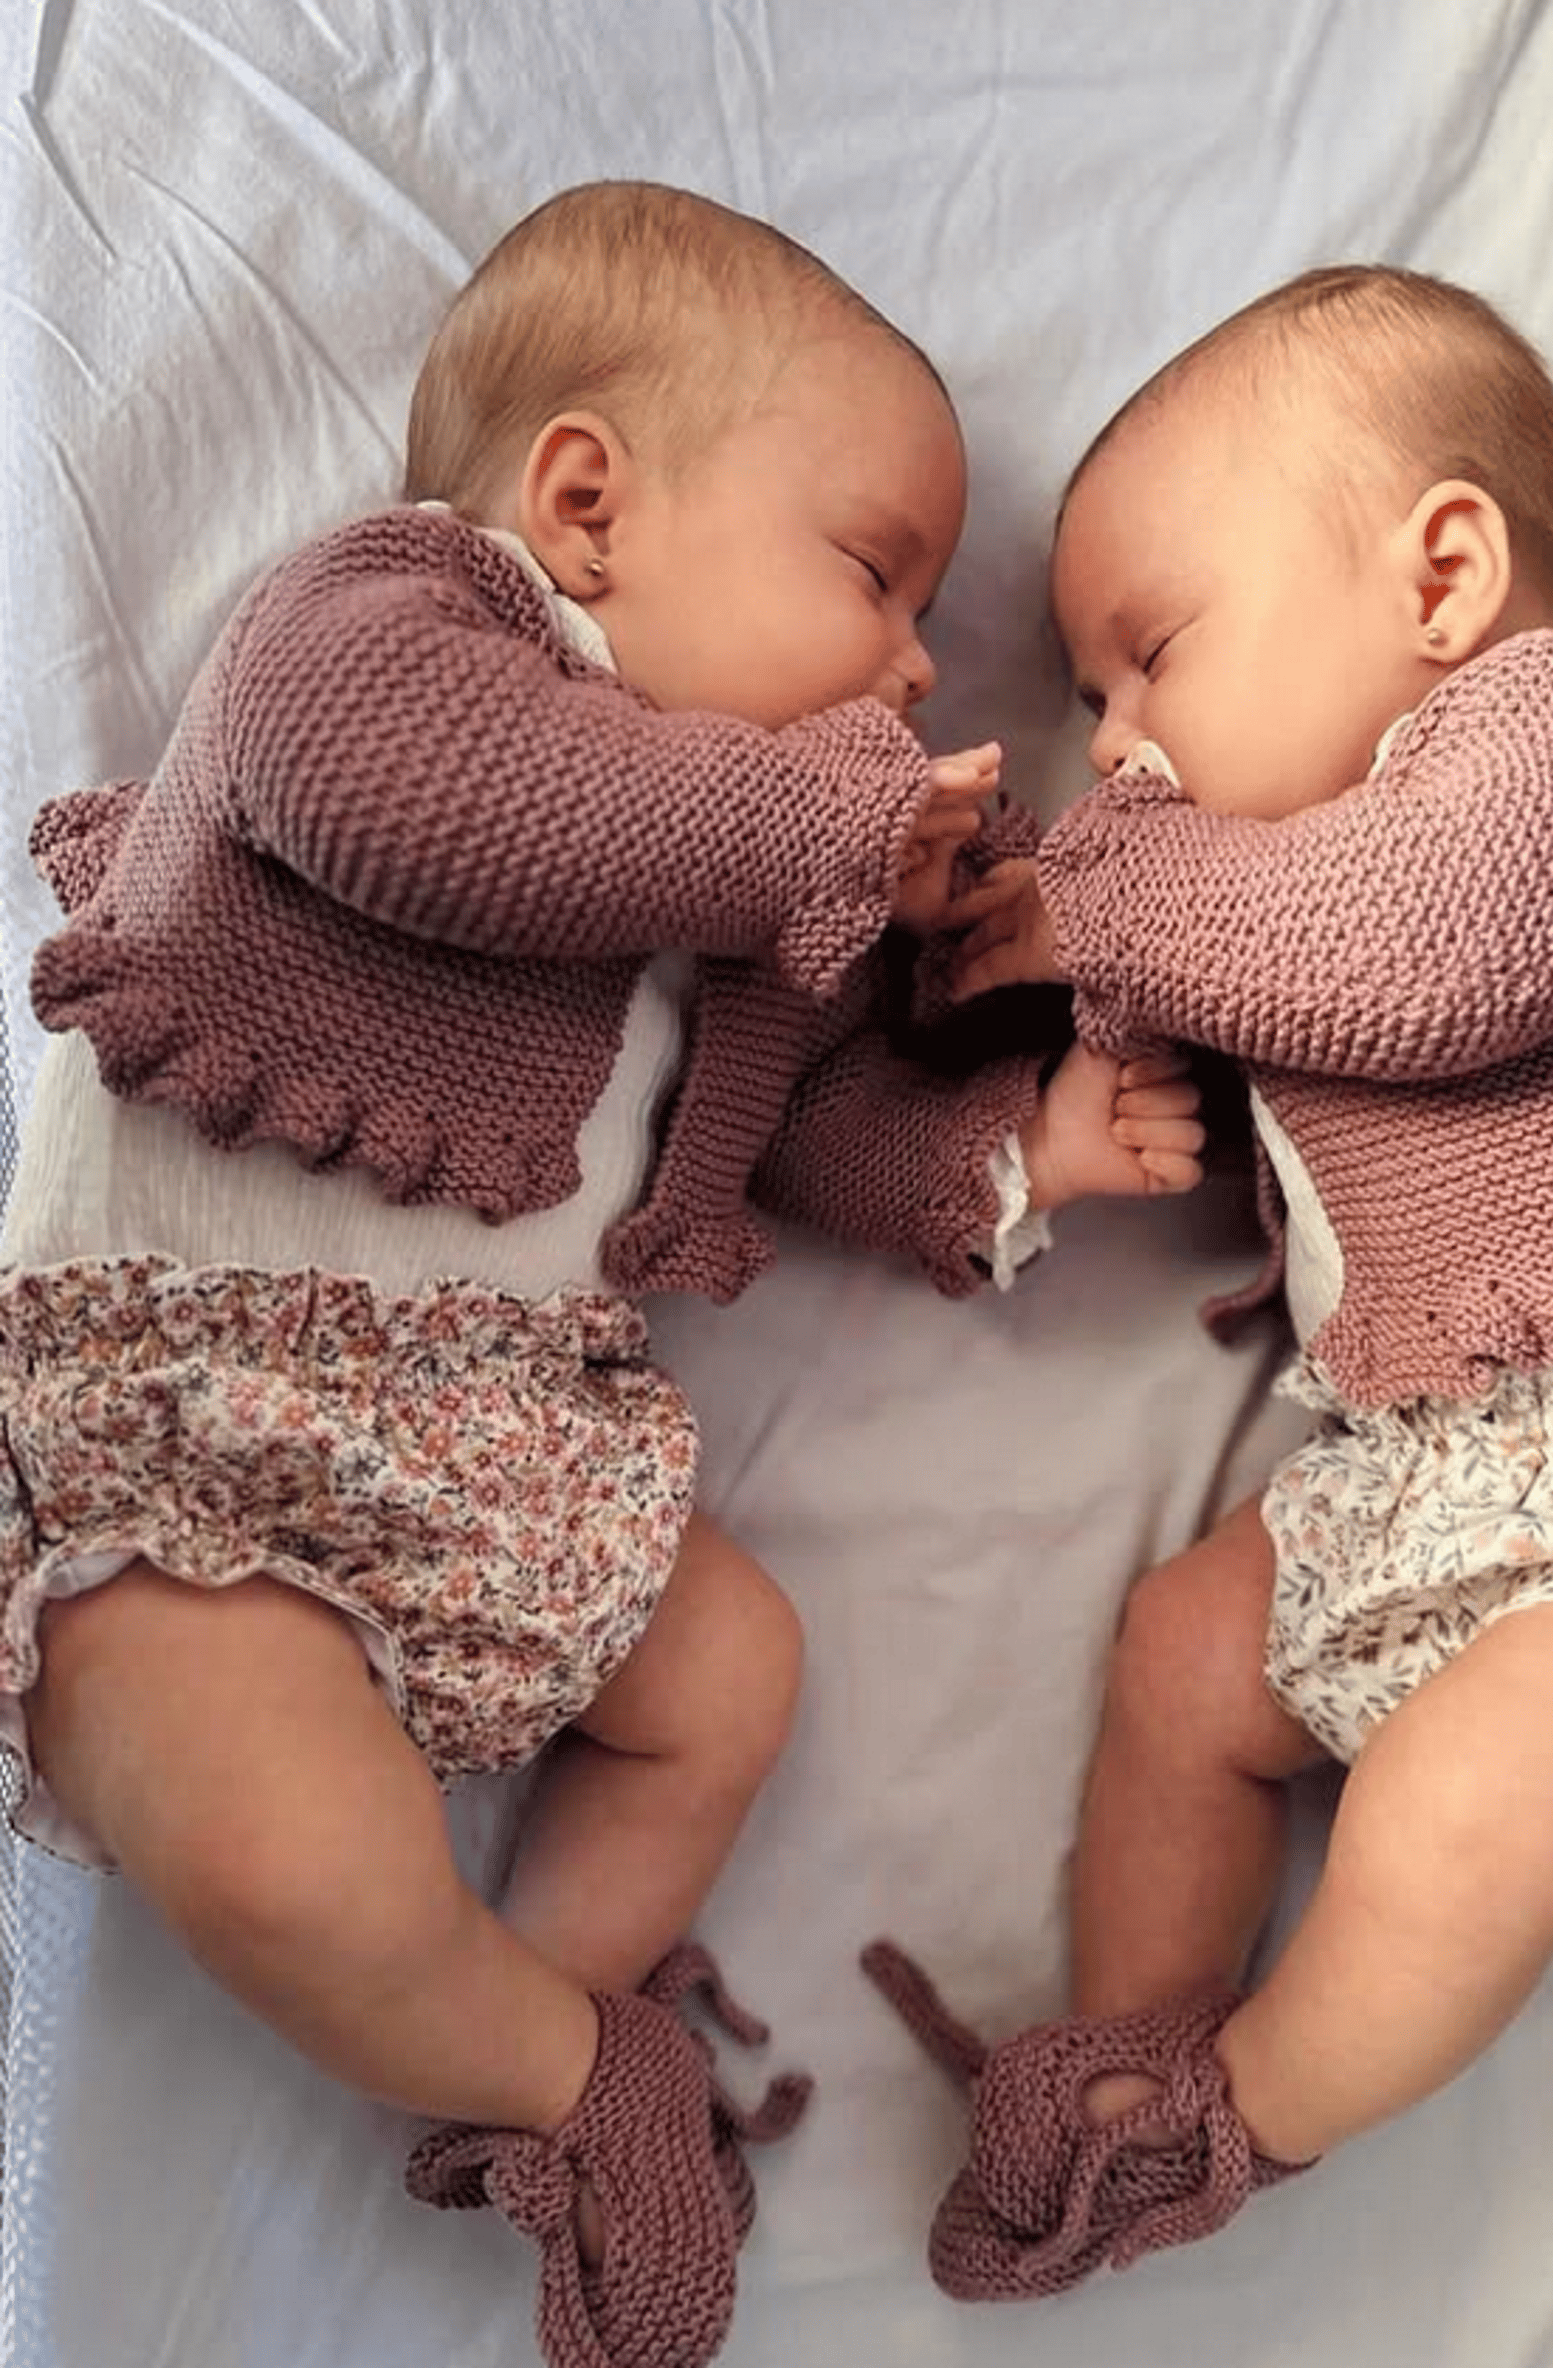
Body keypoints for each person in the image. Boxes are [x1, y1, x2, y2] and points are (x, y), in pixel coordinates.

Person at [0, 181, 1204, 2368]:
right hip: (195, 1429)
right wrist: (802, 831)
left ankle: (543, 2040)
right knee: (277, 1851)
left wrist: (1004, 1148)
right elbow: (387, 795)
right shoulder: (383, 629)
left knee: (727, 1675)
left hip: (497, 1442)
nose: (921, 668)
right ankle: (563, 2068)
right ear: (583, 502)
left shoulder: (734, 892)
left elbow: (788, 1136)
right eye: (875, 574)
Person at [864, 263, 1553, 2298]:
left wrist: (1088, 896)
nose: (1118, 746)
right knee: (1186, 1653)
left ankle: (1240, 2111)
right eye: (1091, 706)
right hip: (1441, 1491)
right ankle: (1129, 2046)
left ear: (1442, 573)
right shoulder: (1237, 910)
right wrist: (951, 958)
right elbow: (1074, 1031)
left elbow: (1430, 951)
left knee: (1461, 1799)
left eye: (1149, 657)